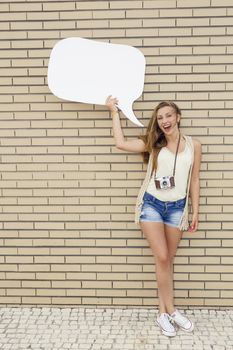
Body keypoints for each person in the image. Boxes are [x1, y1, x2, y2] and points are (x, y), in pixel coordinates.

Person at [105, 95, 202, 337]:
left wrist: (195, 211)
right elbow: (120, 143)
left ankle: (162, 313)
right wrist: (114, 113)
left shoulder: (194, 145)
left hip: (178, 208)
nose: (165, 120)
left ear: (178, 117)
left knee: (166, 260)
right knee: (161, 255)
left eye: (169, 115)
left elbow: (195, 179)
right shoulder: (154, 143)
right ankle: (171, 309)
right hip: (152, 206)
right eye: (160, 118)